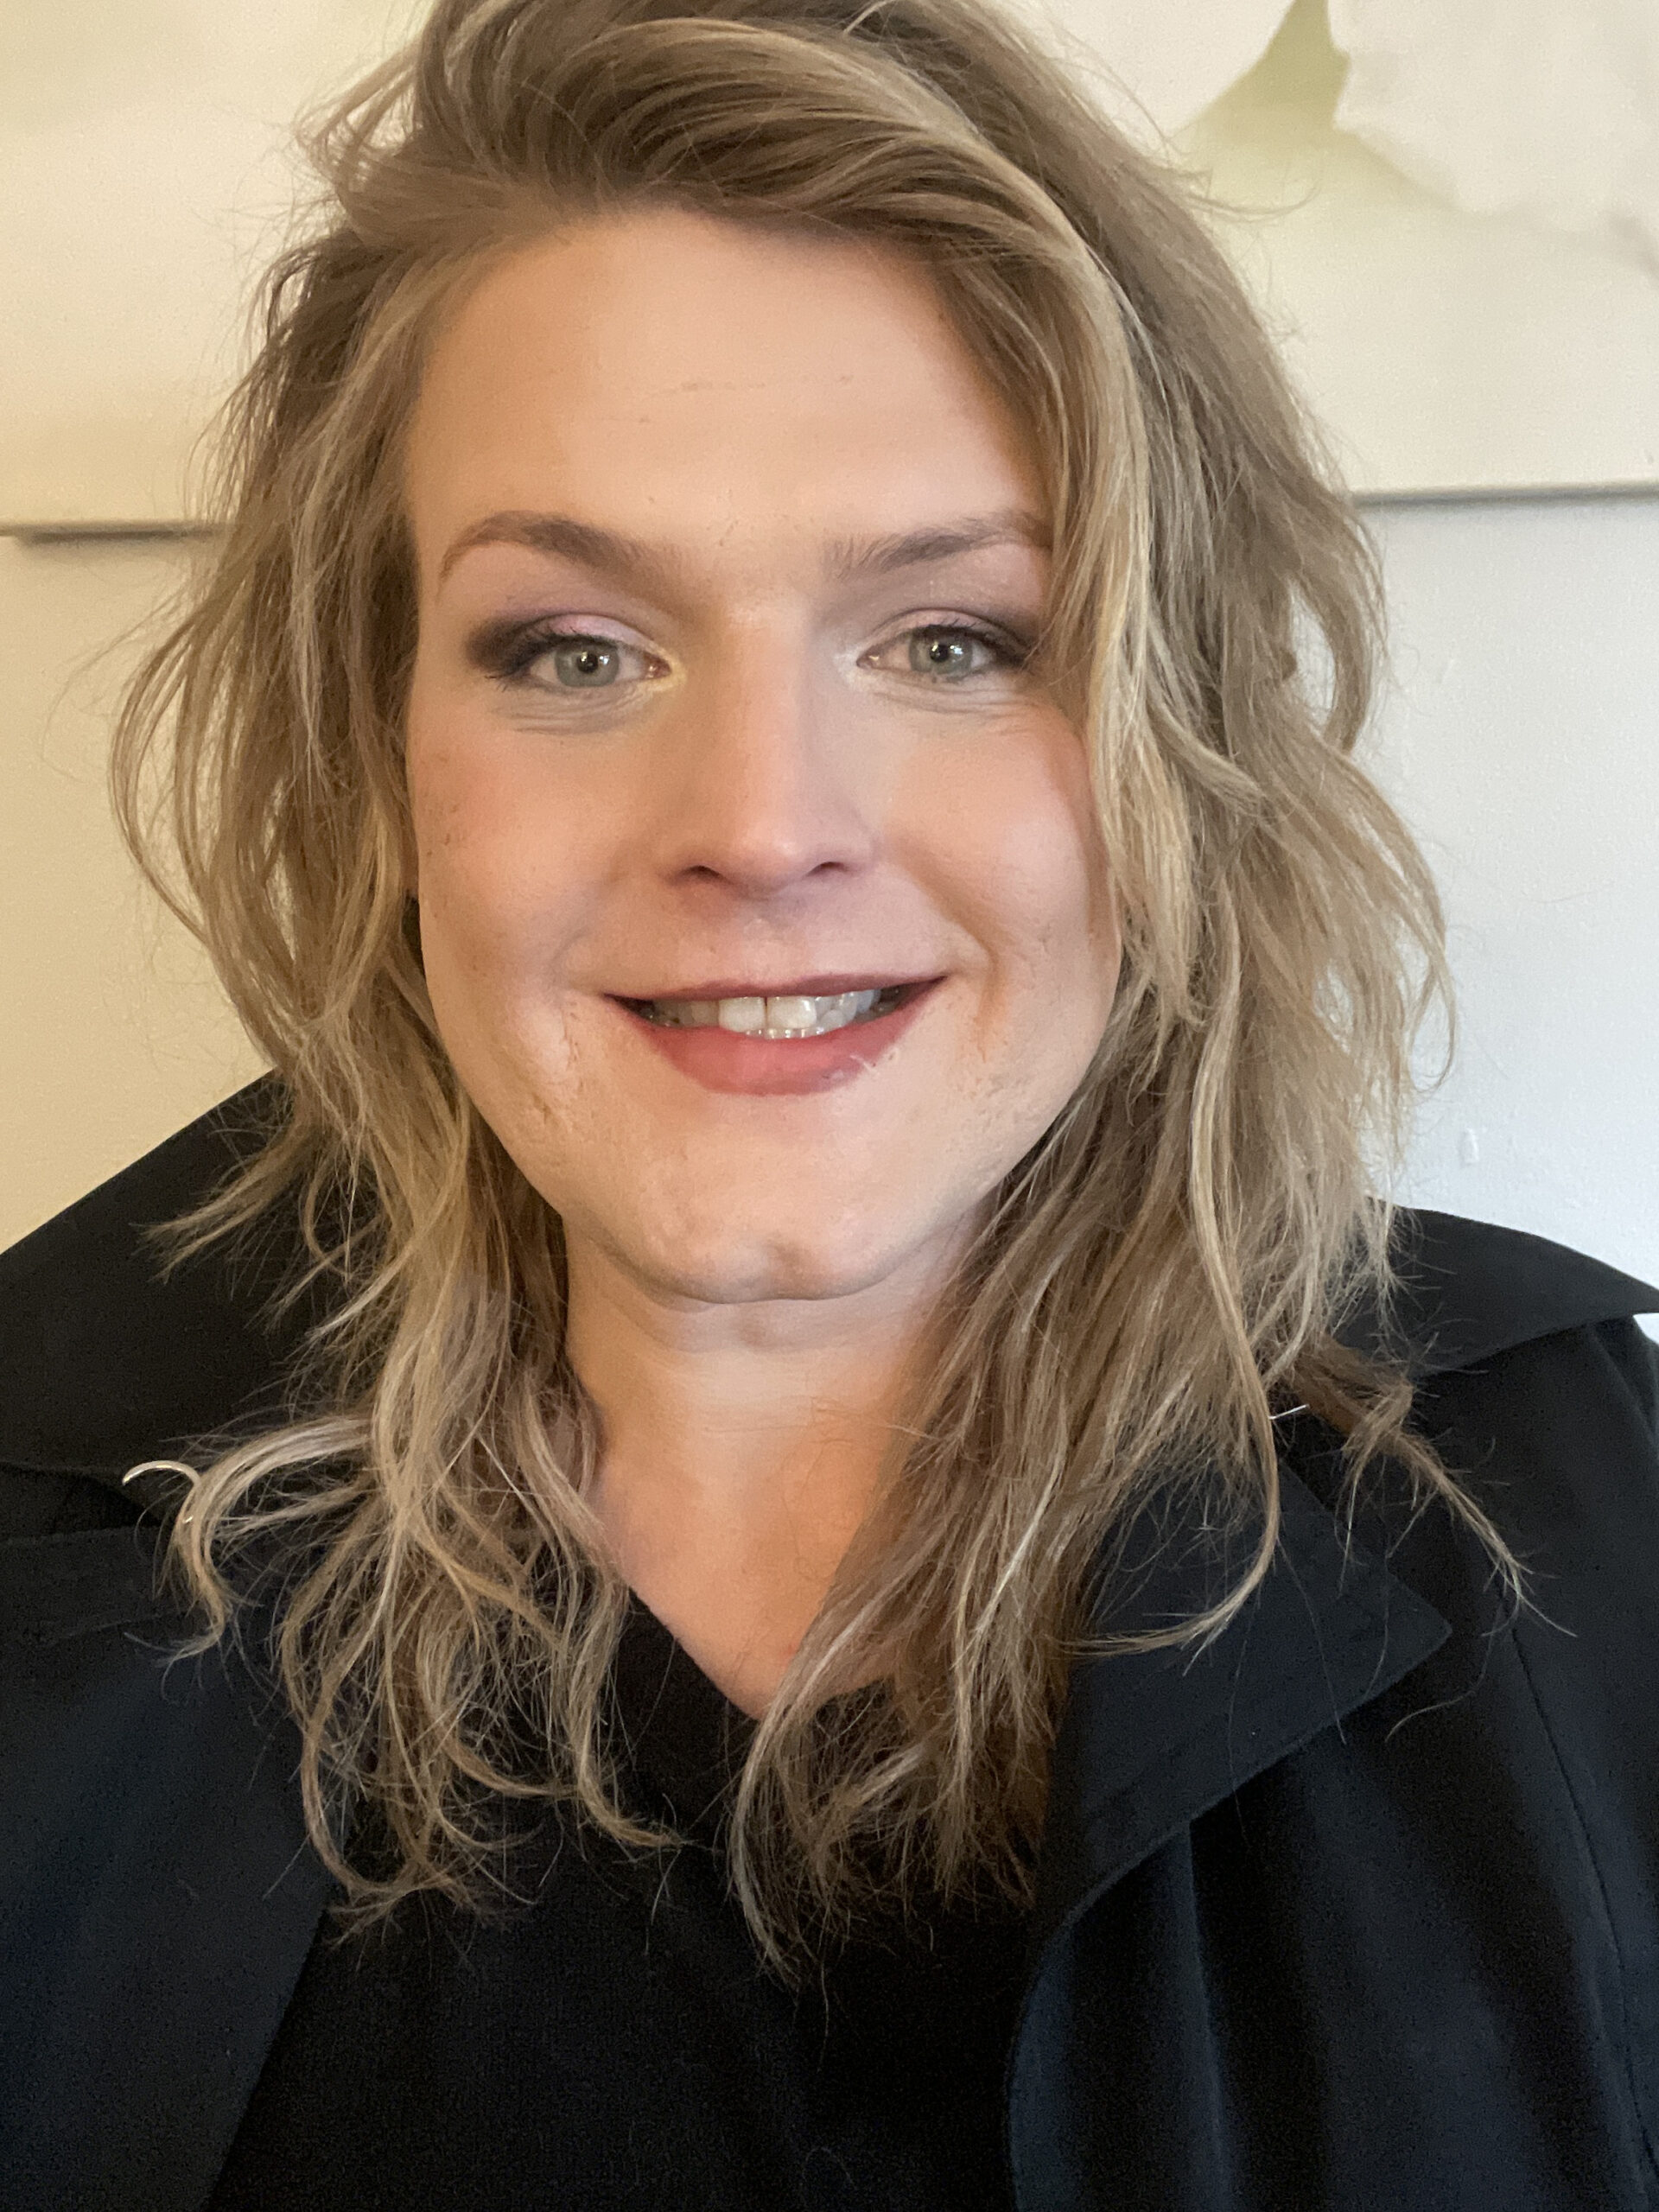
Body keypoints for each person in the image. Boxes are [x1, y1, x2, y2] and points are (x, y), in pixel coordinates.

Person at [2, 0, 1656, 2204]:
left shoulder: (1571, 1504)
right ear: (376, 740)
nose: (764, 825)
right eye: (574, 648)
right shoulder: (39, 1549)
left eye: (956, 638)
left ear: (1172, 743)